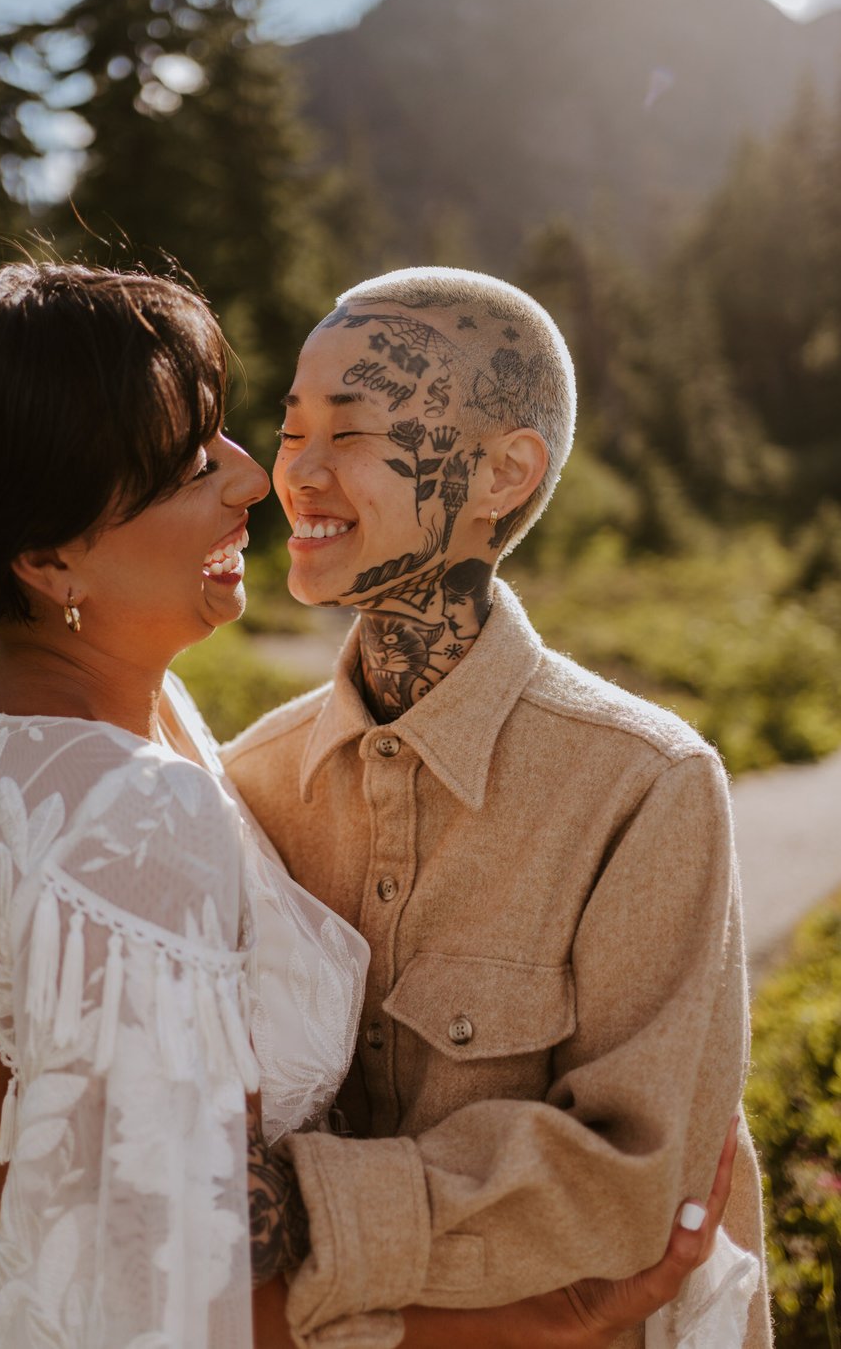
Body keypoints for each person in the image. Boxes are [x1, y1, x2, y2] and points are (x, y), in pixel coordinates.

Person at [0, 264, 741, 1349]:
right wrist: (551, 1315)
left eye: (334, 432)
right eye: (190, 462)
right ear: (47, 559)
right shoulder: (157, 804)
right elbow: (168, 1285)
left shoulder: (88, 754)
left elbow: (40, 1170)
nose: (260, 479)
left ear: (507, 474)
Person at [221, 267, 773, 1349]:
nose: (299, 474)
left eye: (354, 430)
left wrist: (288, 1207)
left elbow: (629, 1183)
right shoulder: (249, 777)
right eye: (291, 431)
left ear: (502, 473)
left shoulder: (645, 787)